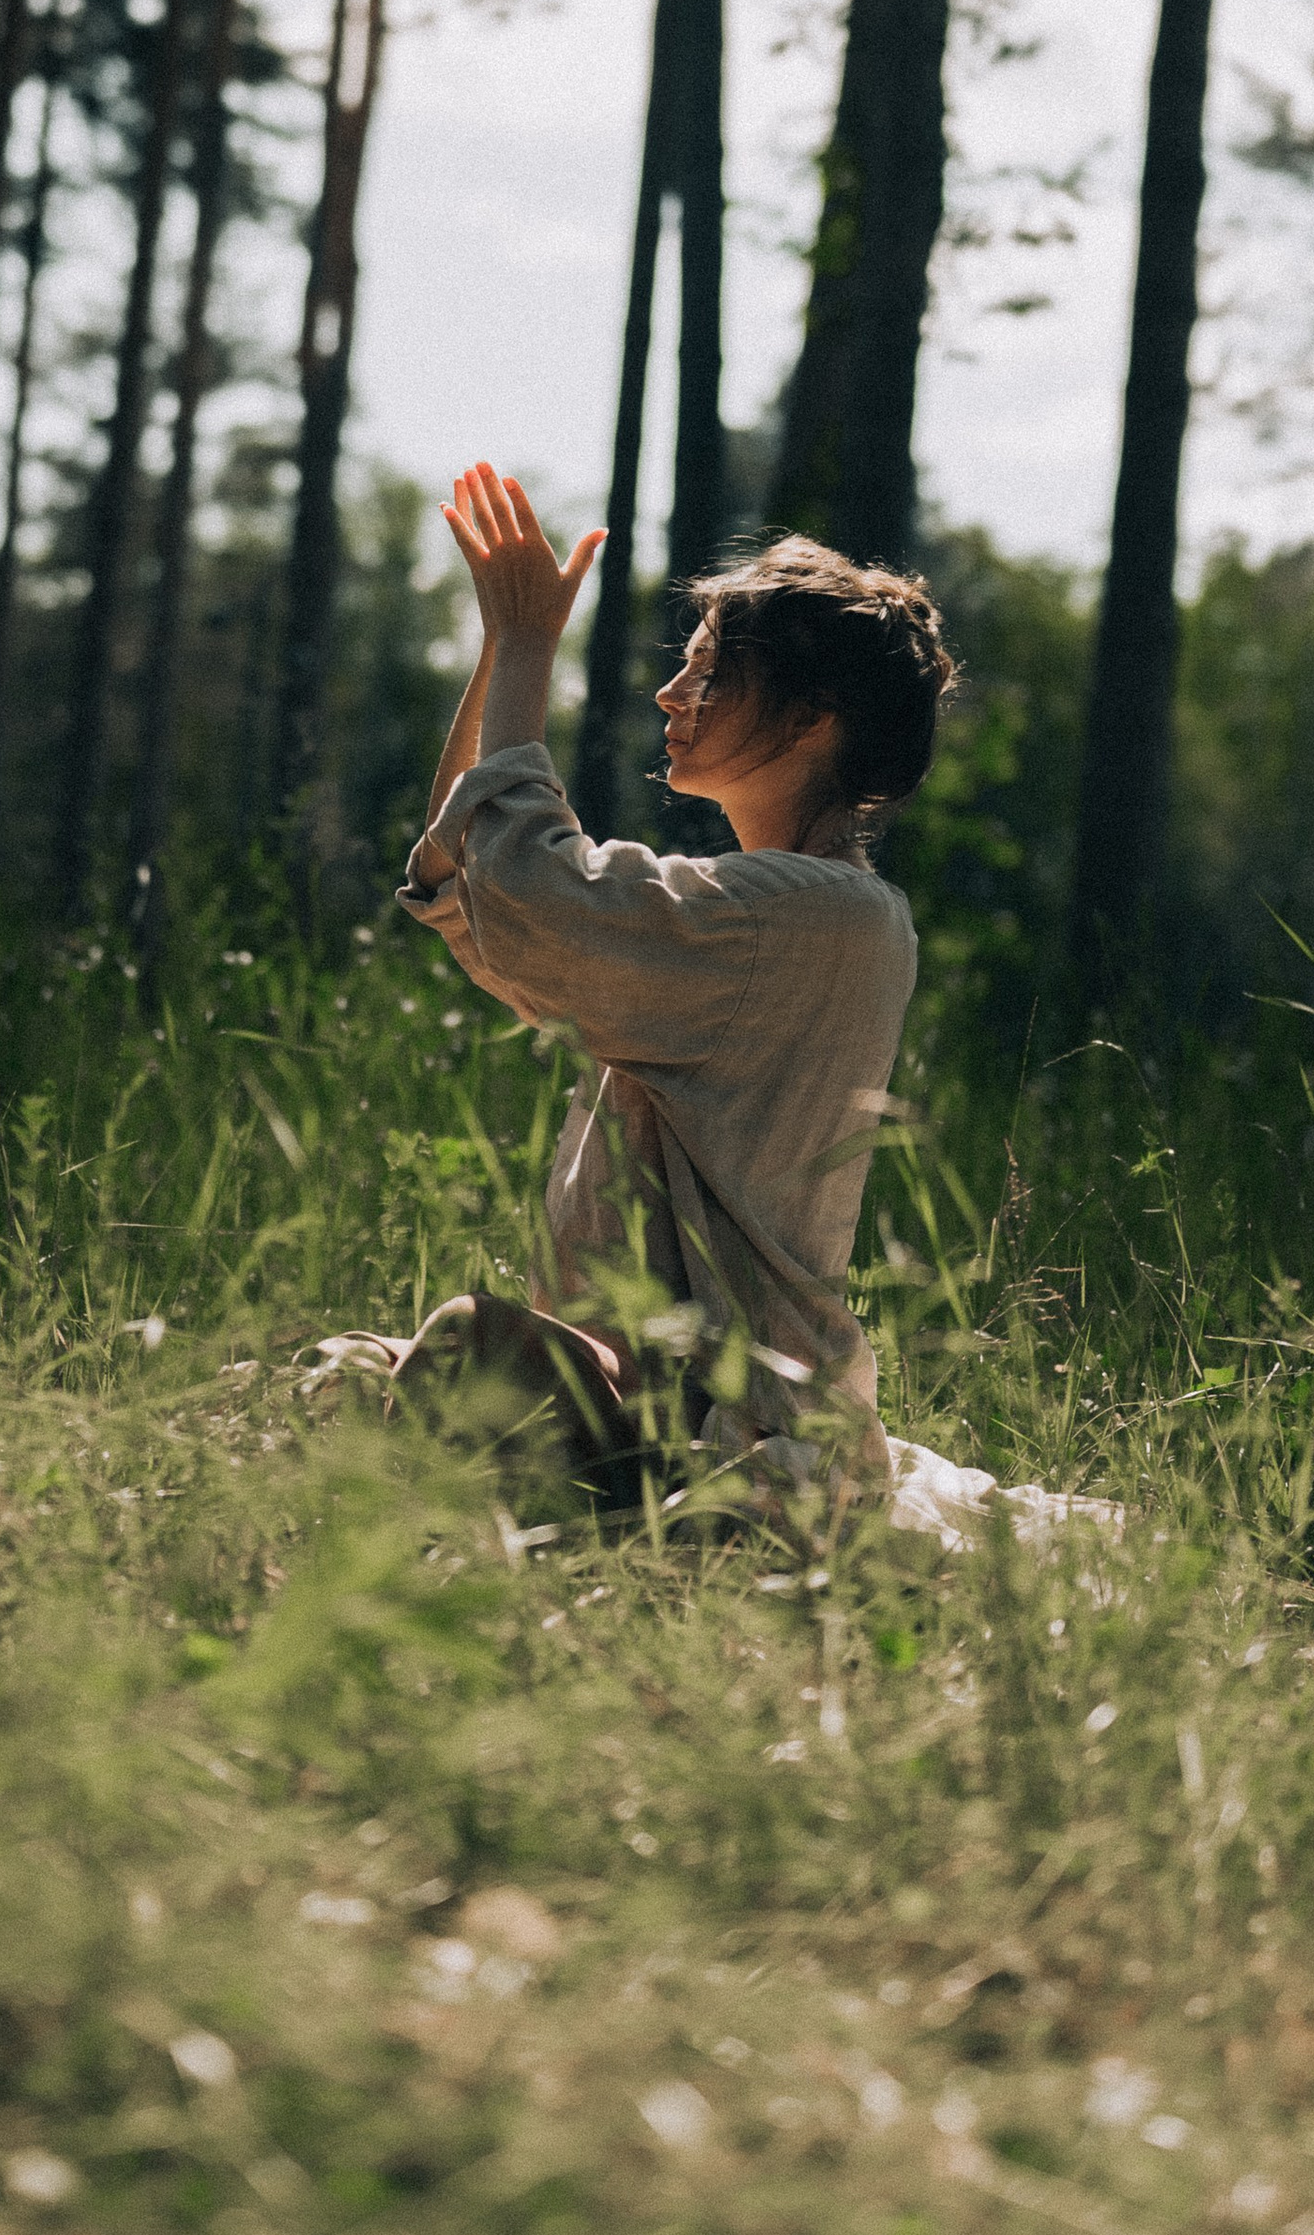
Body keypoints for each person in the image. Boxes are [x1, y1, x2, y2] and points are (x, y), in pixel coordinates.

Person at [379, 462, 957, 1521]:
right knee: (335, 1368)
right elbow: (473, 875)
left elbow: (533, 889)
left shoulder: (817, 916)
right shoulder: (758, 913)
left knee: (462, 1345)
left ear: (813, 716)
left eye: (708, 673)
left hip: (722, 1425)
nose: (669, 694)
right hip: (630, 1384)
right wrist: (503, 653)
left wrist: (527, 650)